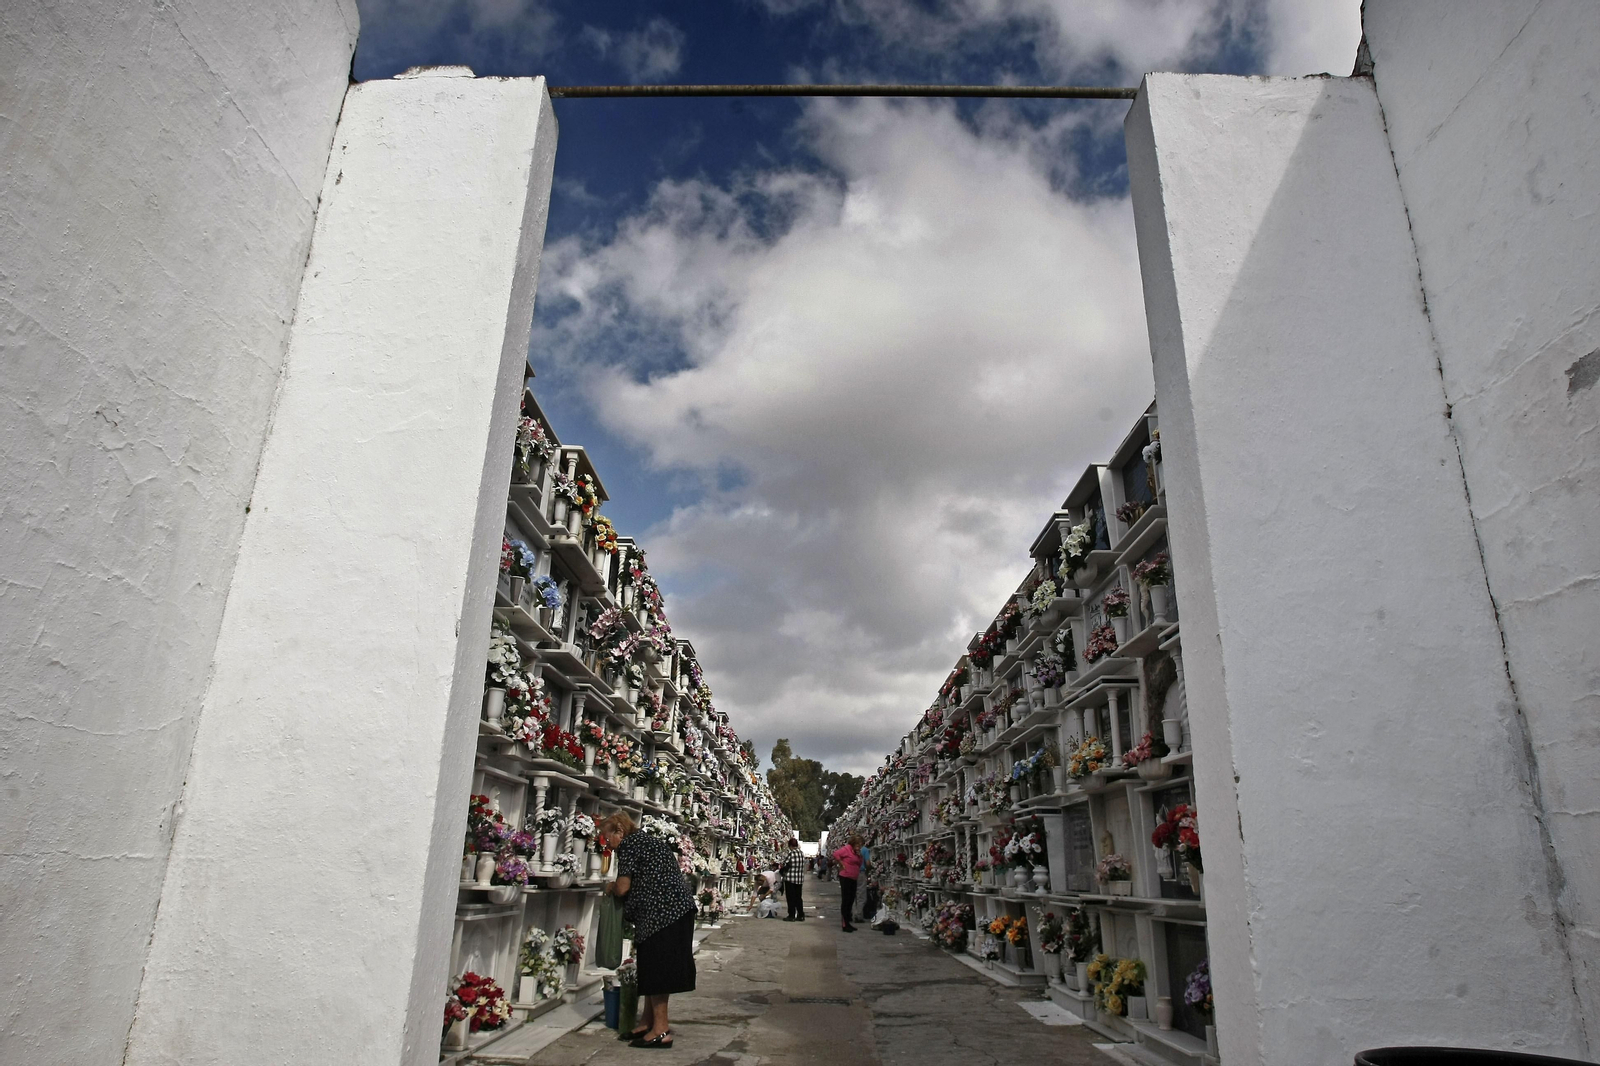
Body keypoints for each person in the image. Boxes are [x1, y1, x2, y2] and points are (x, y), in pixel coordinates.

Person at [600, 812, 695, 1048]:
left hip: (661, 915)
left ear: (619, 831)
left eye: (607, 836)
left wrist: (610, 887)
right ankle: (647, 1021)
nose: (606, 842)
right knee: (652, 967)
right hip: (675, 912)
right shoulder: (647, 841)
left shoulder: (630, 845)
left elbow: (623, 887)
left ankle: (661, 1030)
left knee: (657, 969)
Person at [831, 834, 864, 932]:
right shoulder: (847, 849)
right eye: (858, 845)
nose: (859, 847)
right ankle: (845, 923)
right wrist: (841, 863)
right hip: (845, 876)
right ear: (854, 843)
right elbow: (836, 854)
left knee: (851, 899)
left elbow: (859, 863)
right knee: (846, 900)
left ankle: (848, 921)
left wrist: (859, 856)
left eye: (860, 845)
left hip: (853, 877)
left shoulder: (856, 852)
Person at [779, 838, 806, 921]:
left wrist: (781, 871)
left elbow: (785, 864)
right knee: (798, 897)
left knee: (790, 897)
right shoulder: (801, 853)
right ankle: (801, 914)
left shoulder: (791, 853)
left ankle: (791, 915)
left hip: (790, 879)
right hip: (799, 879)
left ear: (790, 845)